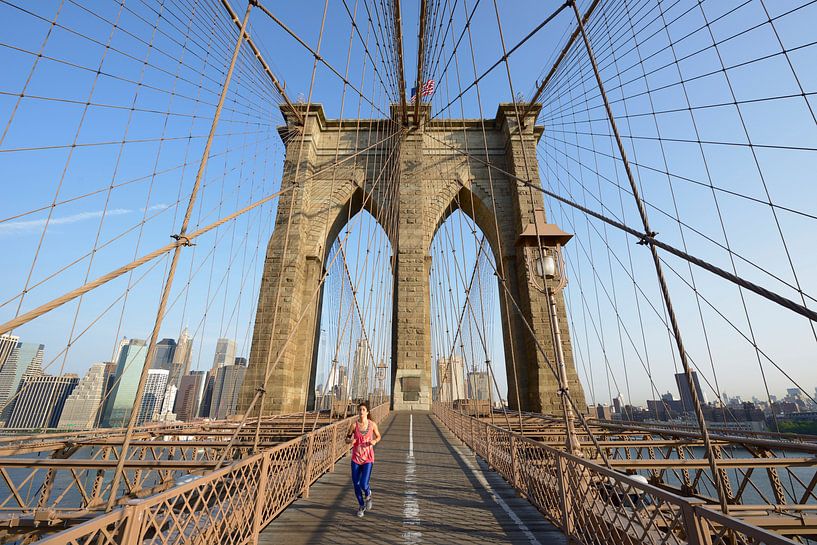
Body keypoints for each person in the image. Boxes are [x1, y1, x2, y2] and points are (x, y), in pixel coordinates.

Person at [345, 401, 381, 517]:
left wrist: (374, 441)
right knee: (356, 483)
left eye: (363, 410)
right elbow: (346, 439)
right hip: (356, 457)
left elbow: (378, 436)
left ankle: (368, 493)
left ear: (367, 412)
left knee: (363, 484)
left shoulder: (372, 425)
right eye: (359, 410)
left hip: (368, 458)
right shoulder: (354, 425)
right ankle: (361, 505)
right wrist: (351, 441)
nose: (361, 412)